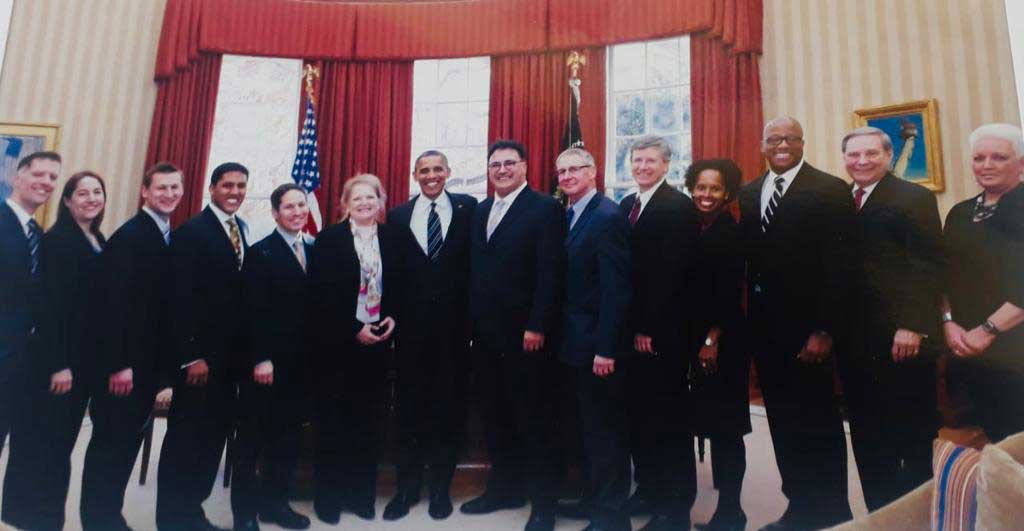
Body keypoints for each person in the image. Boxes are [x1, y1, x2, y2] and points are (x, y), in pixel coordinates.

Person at [738, 117, 856, 530]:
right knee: (784, 425)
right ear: (762, 145)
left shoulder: (829, 190)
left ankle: (833, 510)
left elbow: (841, 268)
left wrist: (825, 330)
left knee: (819, 424)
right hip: (767, 335)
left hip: (811, 334)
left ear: (803, 143)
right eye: (774, 138)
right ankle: (800, 506)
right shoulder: (751, 192)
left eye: (790, 138)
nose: (782, 144)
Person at [462, 139, 565, 531]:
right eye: (495, 165)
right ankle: (504, 489)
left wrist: (537, 325)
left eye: (509, 163)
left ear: (525, 166)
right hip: (486, 337)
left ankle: (544, 505)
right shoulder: (481, 209)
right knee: (496, 417)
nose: (501, 170)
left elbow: (550, 273)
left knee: (535, 420)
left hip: (527, 336)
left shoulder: (545, 208)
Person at [839, 127, 944, 511]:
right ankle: (880, 514)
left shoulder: (913, 197)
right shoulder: (843, 199)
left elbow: (927, 265)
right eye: (854, 155)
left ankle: (919, 515)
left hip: (903, 339)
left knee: (911, 434)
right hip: (856, 342)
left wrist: (912, 324)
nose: (862, 161)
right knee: (866, 434)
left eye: (871, 154)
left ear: (887, 156)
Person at [80, 162, 184, 531]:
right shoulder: (131, 236)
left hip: (144, 366)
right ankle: (98, 521)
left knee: (124, 446)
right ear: (144, 191)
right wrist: (119, 365)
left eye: (175, 188)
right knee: (110, 448)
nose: (169, 194)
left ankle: (109, 517)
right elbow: (112, 307)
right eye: (161, 188)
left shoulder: (164, 234)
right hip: (123, 369)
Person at [2, 171, 107, 530]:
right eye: (82, 193)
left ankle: (45, 520)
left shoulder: (96, 238)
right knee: (43, 447)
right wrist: (59, 365)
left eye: (97, 192)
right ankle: (32, 521)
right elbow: (48, 309)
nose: (91, 198)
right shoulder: (59, 240)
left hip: (79, 363)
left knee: (58, 449)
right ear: (66, 201)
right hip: (56, 365)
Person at [157, 162, 251, 531]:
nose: (235, 191)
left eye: (242, 185)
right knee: (186, 441)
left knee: (211, 441)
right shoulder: (192, 232)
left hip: (228, 363)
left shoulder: (240, 229)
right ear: (211, 189)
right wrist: (191, 356)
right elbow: (178, 302)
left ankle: (191, 513)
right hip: (199, 362)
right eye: (228, 185)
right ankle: (172, 519)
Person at [384, 150, 477, 521]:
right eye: (425, 170)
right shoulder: (398, 216)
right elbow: (392, 275)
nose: (432, 175)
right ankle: (406, 490)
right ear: (414, 174)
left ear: (449, 173)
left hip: (456, 335)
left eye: (438, 169)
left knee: (448, 413)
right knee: (409, 413)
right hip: (410, 335)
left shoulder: (470, 210)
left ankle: (440, 490)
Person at [307, 173, 400, 524]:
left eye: (371, 198)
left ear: (380, 202)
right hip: (336, 345)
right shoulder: (329, 240)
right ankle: (328, 499)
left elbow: (402, 285)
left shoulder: (392, 238)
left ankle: (360, 496)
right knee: (334, 423)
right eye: (357, 198)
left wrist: (392, 318)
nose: (364, 203)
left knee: (367, 423)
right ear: (345, 204)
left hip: (376, 344)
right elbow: (321, 296)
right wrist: (353, 329)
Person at [618, 135, 699, 531]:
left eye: (651, 161)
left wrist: (647, 327)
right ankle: (649, 489)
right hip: (631, 332)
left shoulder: (677, 207)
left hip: (660, 333)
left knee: (668, 420)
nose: (643, 166)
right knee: (640, 418)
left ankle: (675, 508)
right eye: (637, 160)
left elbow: (671, 276)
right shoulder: (627, 205)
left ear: (667, 165)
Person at [555, 148, 632, 531]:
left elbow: (615, 290)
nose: (567, 176)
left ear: (593, 171)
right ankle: (592, 500)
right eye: (561, 171)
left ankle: (611, 515)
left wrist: (606, 348)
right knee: (586, 429)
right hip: (572, 342)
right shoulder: (569, 213)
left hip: (596, 347)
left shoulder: (606, 216)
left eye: (575, 169)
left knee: (605, 432)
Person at [231, 183, 314, 531]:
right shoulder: (260, 252)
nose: (297, 212)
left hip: (300, 365)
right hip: (266, 366)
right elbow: (252, 313)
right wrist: (261, 359)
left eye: (301, 205)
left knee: (286, 438)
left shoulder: (315, 248)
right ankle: (245, 513)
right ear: (275, 213)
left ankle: (275, 504)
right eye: (289, 207)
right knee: (252, 441)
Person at [941, 123, 1024, 443]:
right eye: (979, 158)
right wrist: (949, 323)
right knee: (989, 447)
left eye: (998, 157)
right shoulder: (960, 213)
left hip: (1013, 349)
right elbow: (943, 275)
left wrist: (988, 330)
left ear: (1020, 164)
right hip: (965, 348)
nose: (986, 165)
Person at [683, 159, 750, 531]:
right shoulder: (694, 227)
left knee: (727, 428)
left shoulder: (730, 232)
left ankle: (731, 513)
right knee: (709, 420)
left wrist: (712, 339)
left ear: (728, 194)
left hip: (723, 342)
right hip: (698, 339)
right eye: (701, 187)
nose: (706, 195)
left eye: (715, 189)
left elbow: (728, 296)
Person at [0, 151, 60, 529]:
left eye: (53, 177)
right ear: (18, 177)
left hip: (17, 362)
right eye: (39, 174)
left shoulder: (38, 232)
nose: (46, 182)